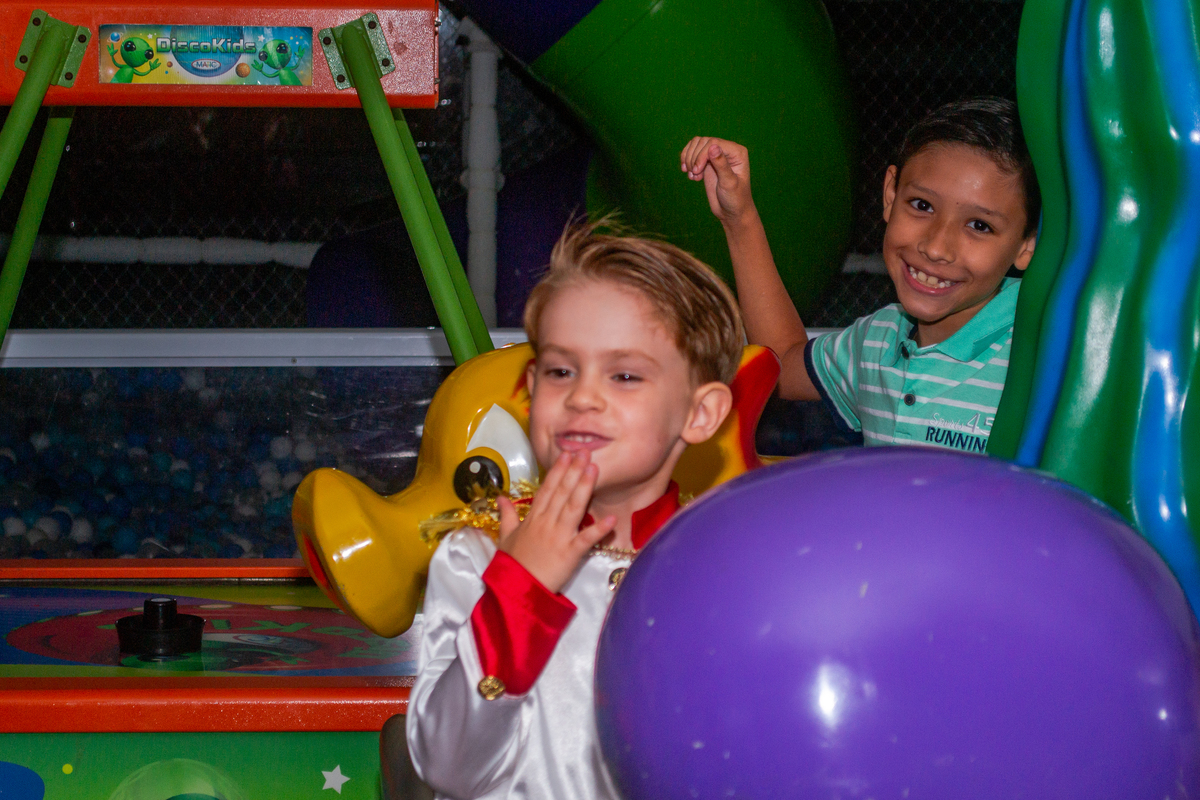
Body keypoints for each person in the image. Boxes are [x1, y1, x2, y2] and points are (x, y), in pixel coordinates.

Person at [406, 224, 744, 799]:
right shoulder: (478, 556)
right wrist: (519, 591)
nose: (582, 397)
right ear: (531, 387)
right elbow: (448, 767)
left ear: (700, 413)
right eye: (561, 371)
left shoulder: (724, 571)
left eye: (625, 376)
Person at [681, 97, 1040, 451]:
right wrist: (739, 218)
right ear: (890, 194)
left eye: (979, 225)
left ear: (1027, 244)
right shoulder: (876, 342)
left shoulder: (1042, 345)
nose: (936, 248)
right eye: (922, 205)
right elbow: (783, 364)